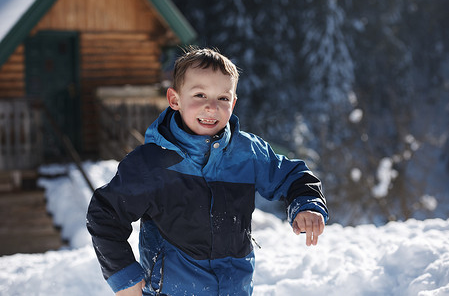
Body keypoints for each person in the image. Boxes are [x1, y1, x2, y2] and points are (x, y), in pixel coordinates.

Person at [86, 46, 328, 296]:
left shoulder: (248, 153)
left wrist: (307, 203)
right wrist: (124, 276)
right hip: (172, 290)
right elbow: (105, 214)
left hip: (235, 289)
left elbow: (292, 175)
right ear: (174, 100)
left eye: (223, 98)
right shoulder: (151, 163)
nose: (212, 107)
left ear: (233, 103)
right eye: (200, 95)